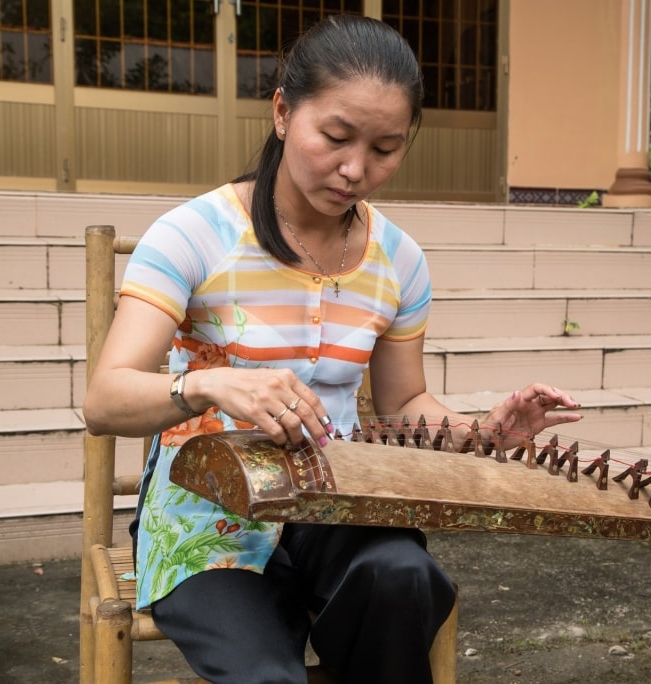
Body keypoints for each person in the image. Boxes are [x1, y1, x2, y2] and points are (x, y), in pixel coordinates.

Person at [82, 14, 582, 684]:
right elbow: (104, 398)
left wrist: (481, 434)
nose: (355, 170)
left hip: (338, 499)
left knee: (403, 579)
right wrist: (208, 385)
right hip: (206, 520)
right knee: (267, 675)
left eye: (385, 149)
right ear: (284, 112)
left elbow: (404, 400)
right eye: (336, 138)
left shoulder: (398, 260)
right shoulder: (193, 236)